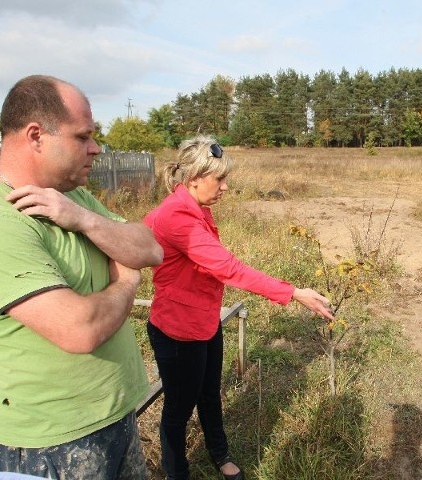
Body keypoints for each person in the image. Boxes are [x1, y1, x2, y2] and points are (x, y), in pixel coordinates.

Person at [0, 75, 164, 479]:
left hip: (113, 416)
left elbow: (149, 248)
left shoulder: (69, 196)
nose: (95, 148)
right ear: (36, 136)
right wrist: (125, 280)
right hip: (49, 445)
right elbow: (79, 331)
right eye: (83, 136)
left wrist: (84, 219)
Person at [143, 135, 335, 480]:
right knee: (178, 410)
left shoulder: (195, 209)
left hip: (204, 320)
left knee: (209, 392)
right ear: (194, 179)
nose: (226, 187)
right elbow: (229, 268)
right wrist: (293, 292)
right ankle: (177, 473)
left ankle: (220, 453)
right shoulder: (176, 218)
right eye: (220, 179)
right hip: (177, 331)